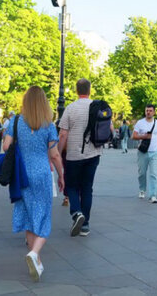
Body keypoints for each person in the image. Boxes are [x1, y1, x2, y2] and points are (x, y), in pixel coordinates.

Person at [6, 86, 64, 282]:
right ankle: (34, 254)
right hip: (41, 173)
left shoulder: (15, 121)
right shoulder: (48, 124)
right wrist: (61, 175)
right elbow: (54, 155)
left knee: (29, 217)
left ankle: (36, 261)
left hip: (22, 174)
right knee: (44, 216)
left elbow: (6, 146)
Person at [58, 79, 103, 237]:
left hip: (74, 155)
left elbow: (63, 134)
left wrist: (57, 151)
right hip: (93, 154)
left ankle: (77, 213)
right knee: (87, 188)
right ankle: (86, 226)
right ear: (89, 90)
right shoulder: (97, 107)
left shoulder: (70, 108)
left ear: (77, 90)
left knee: (71, 186)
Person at [133, 104, 157, 203]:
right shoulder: (140, 123)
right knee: (142, 173)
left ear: (154, 112)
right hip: (143, 152)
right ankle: (142, 189)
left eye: (150, 110)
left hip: (154, 152)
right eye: (147, 110)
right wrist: (144, 136)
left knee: (154, 174)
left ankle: (153, 195)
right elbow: (134, 136)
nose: (148, 112)